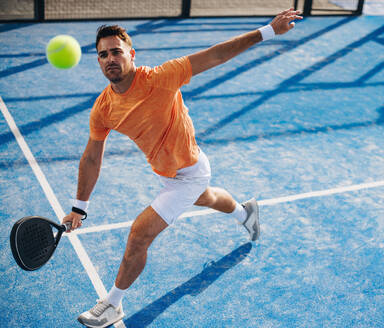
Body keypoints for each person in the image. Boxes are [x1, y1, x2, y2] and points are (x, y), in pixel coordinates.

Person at [64, 8, 302, 328]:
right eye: (103, 54)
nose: (110, 58)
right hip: (170, 171)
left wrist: (269, 31)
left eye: (116, 52)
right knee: (207, 198)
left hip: (188, 172)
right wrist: (79, 206)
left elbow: (216, 55)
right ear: (98, 61)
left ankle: (113, 304)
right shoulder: (103, 108)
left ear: (131, 54)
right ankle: (247, 214)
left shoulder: (163, 76)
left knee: (139, 234)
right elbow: (92, 156)